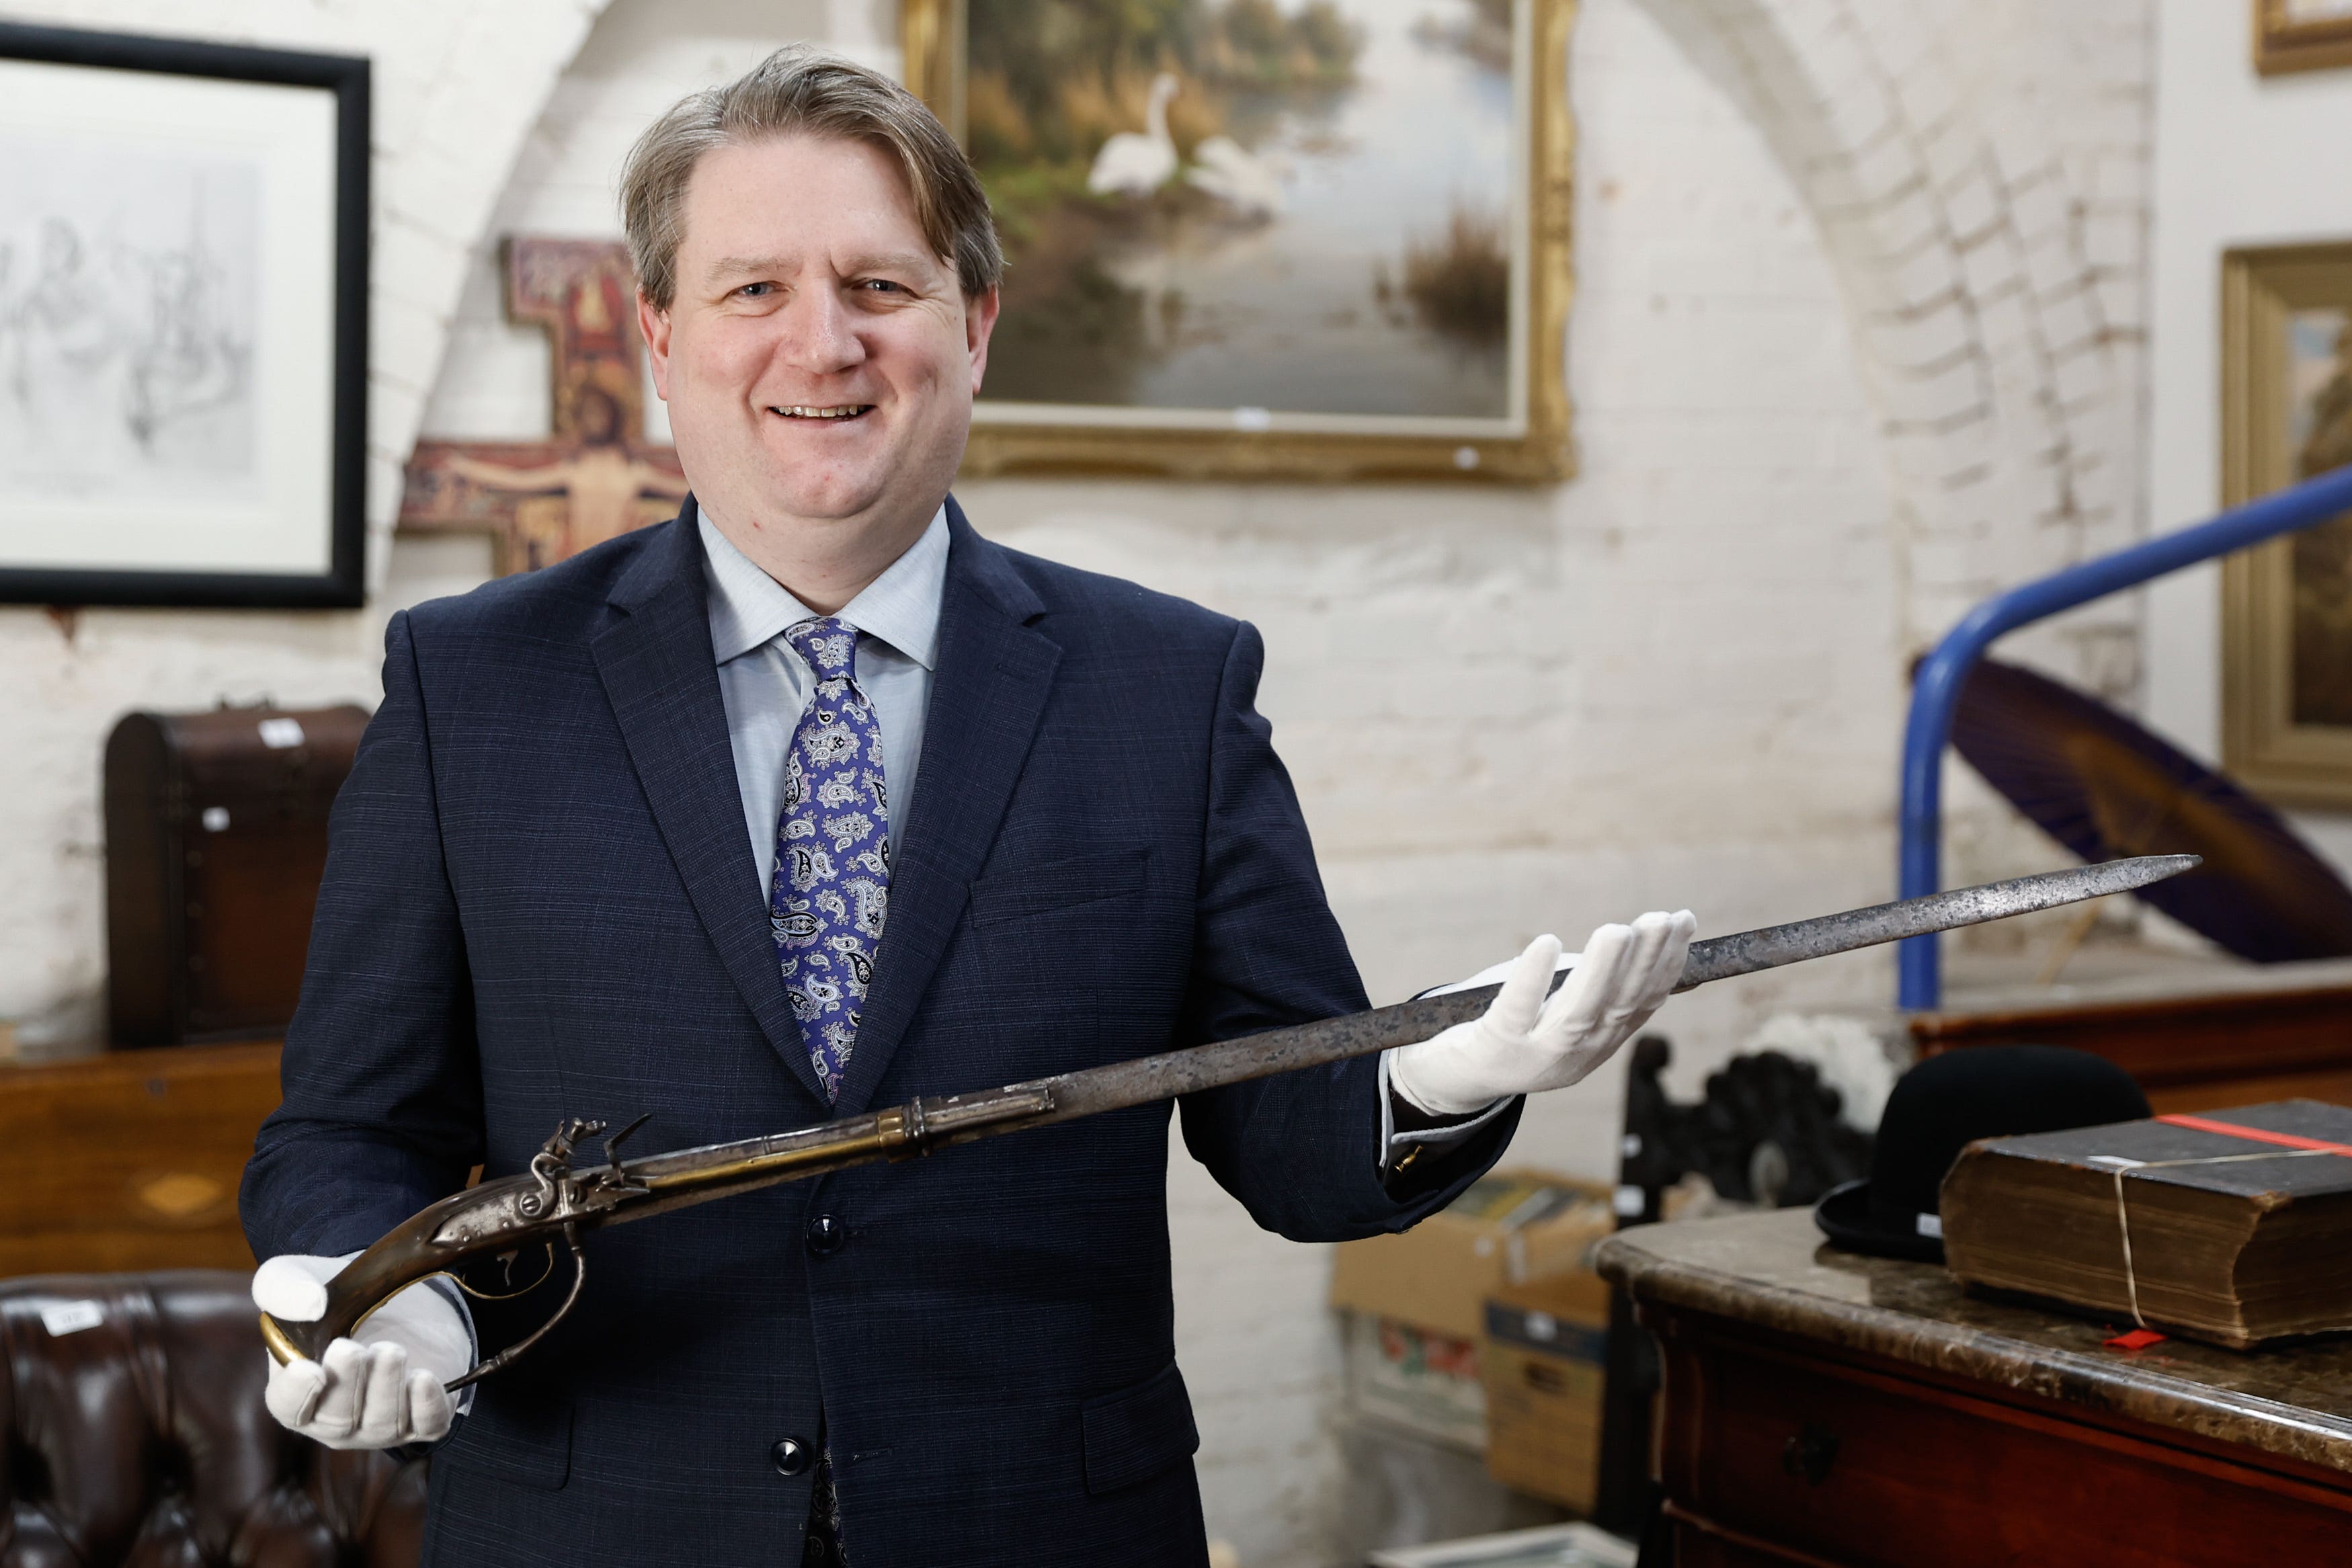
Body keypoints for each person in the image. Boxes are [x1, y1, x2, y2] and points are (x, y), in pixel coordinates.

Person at [239, 47, 1694, 1568]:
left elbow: (1288, 1126)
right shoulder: (475, 683)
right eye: (753, 292)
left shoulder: (1166, 686)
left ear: (975, 327)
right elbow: (345, 1128)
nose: (825, 343)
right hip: (599, 1526)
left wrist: (1445, 1074)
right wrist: (375, 1283)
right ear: (660, 335)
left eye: (882, 285)